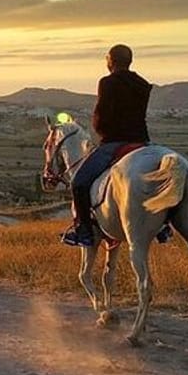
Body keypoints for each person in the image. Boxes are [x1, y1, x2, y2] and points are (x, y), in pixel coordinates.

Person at [61, 44, 153, 247]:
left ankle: (84, 231)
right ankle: (162, 227)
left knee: (79, 183)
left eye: (107, 59)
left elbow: (101, 116)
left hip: (115, 143)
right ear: (130, 61)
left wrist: (99, 131)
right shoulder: (143, 84)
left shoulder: (107, 82)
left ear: (111, 61)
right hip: (142, 143)